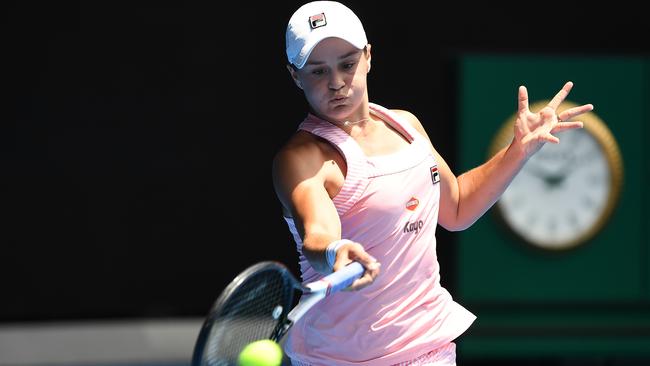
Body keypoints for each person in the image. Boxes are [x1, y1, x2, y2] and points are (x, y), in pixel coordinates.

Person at [271, 1, 593, 365]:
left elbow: (457, 209)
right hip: (338, 359)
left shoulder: (406, 127)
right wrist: (334, 251)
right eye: (317, 72)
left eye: (347, 64)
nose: (337, 82)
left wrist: (517, 151)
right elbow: (317, 232)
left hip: (427, 347)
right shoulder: (300, 159)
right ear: (295, 76)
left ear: (368, 57)